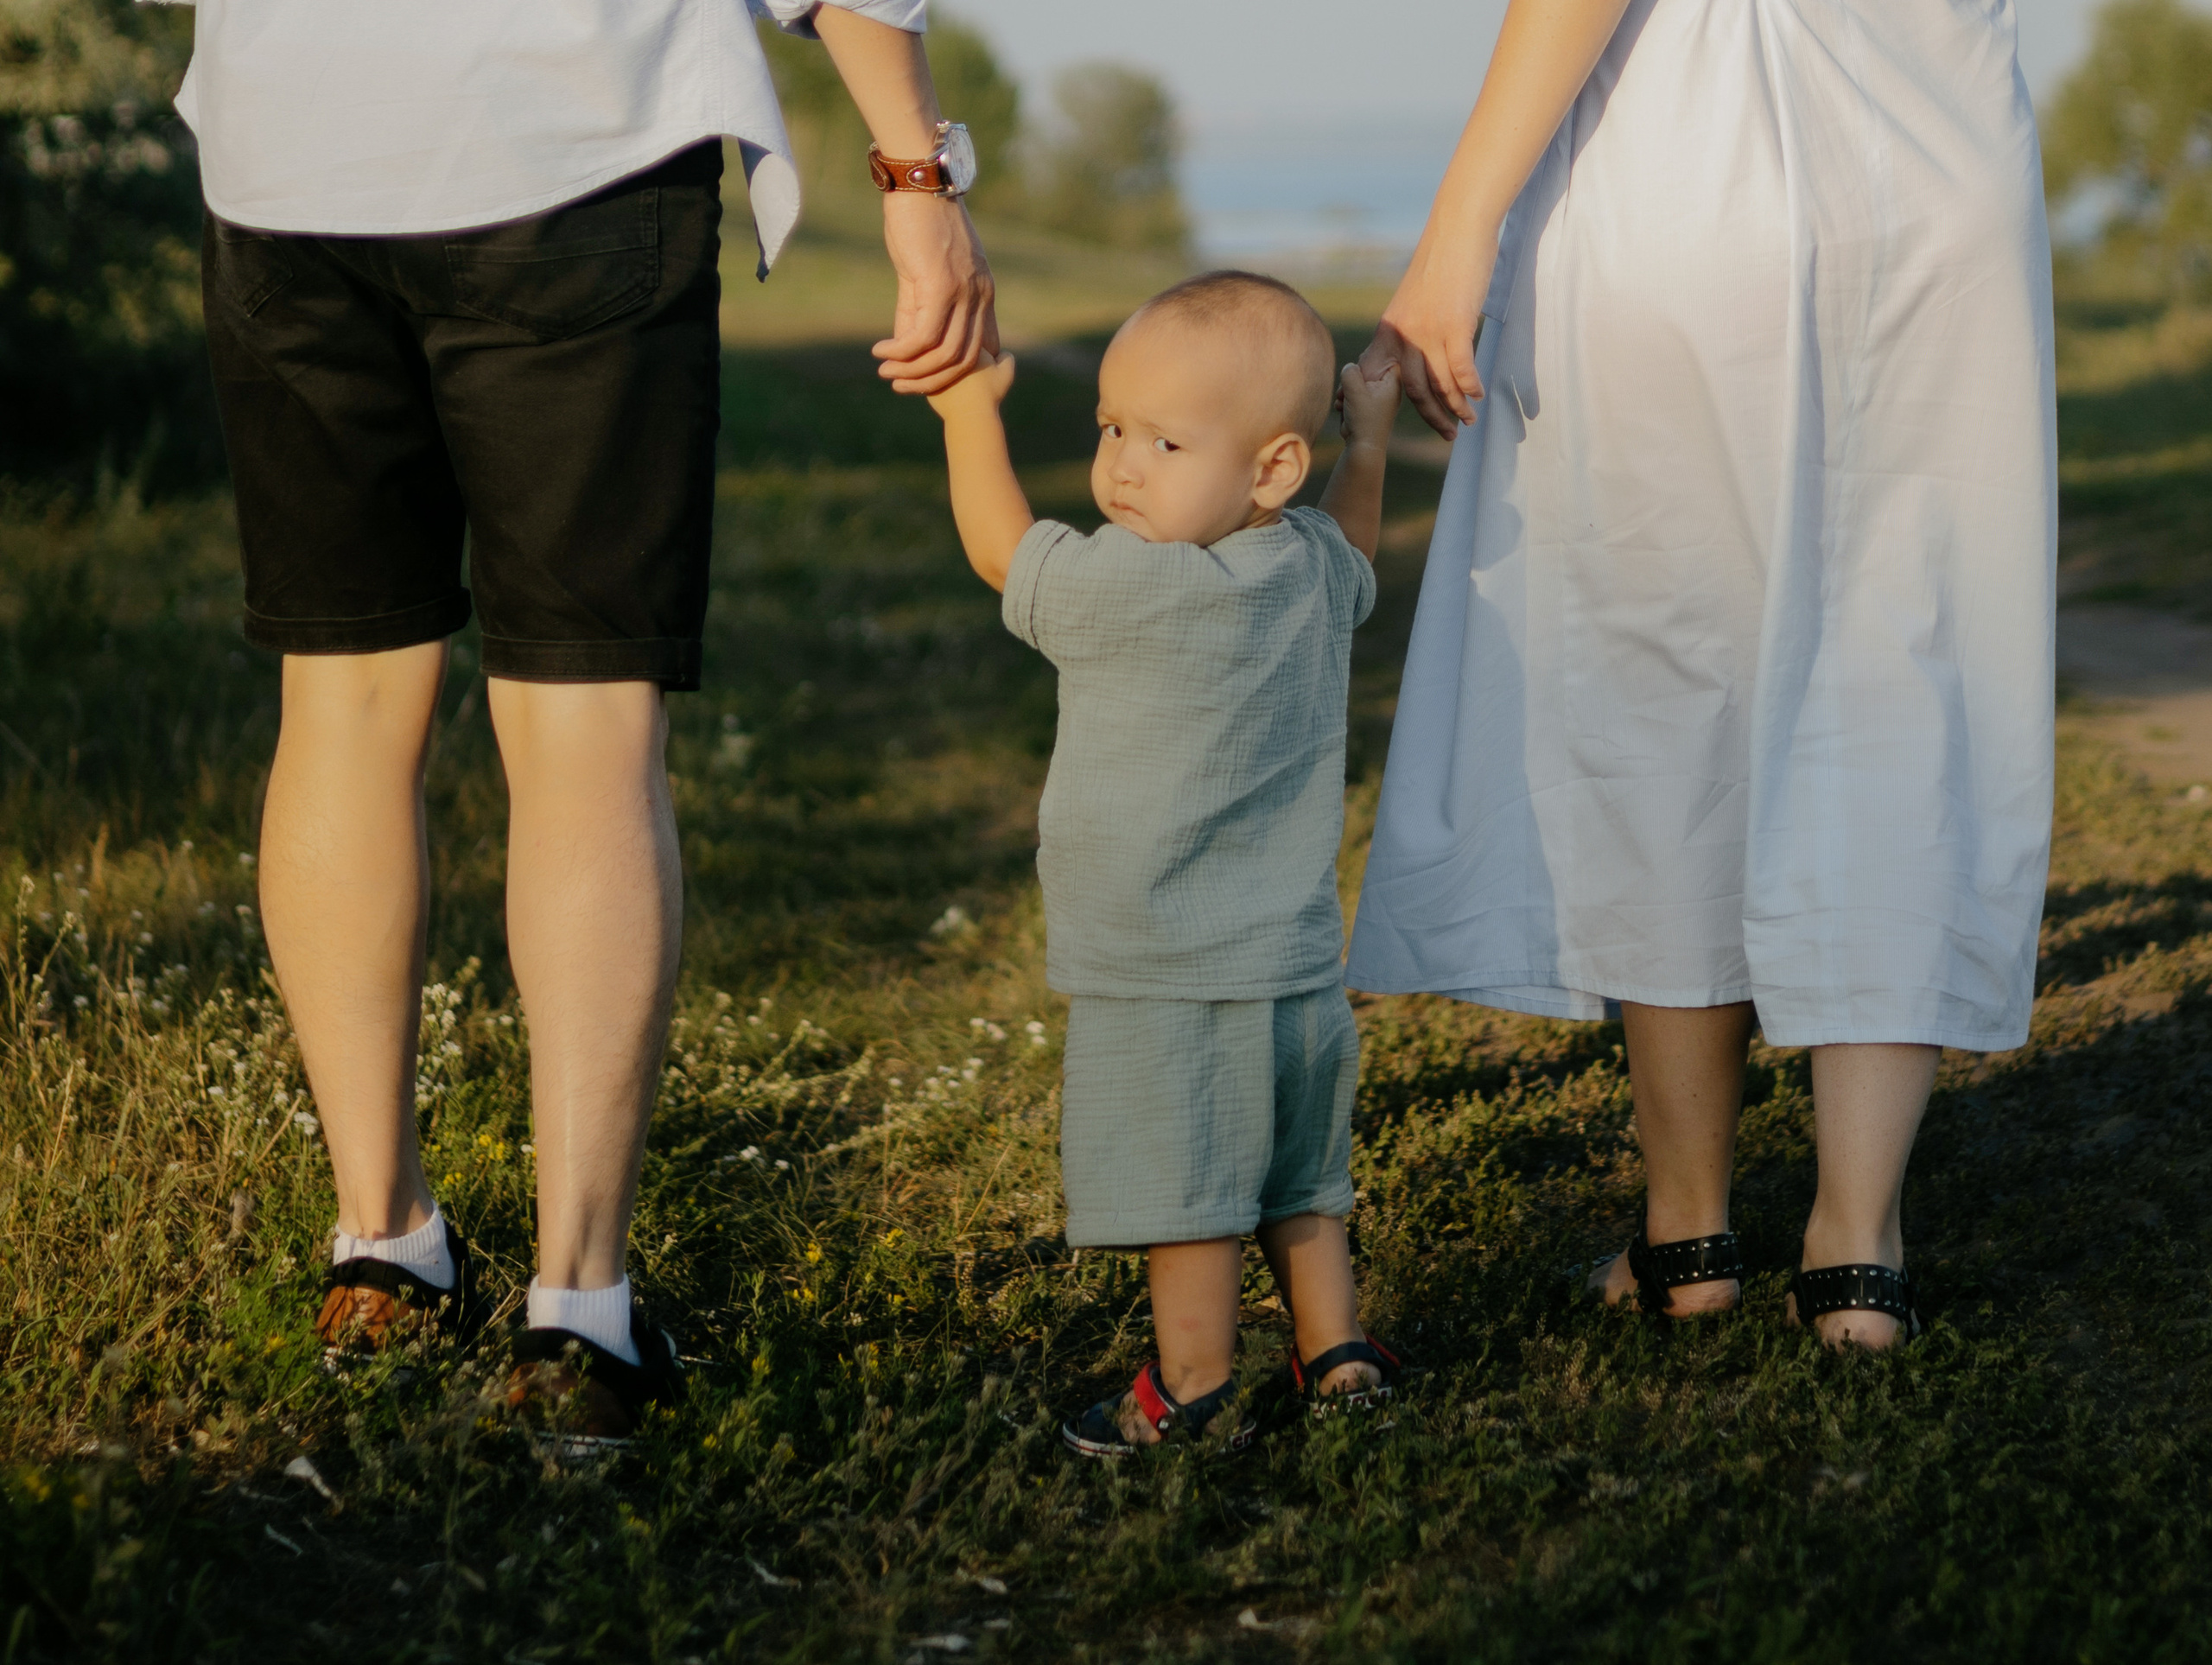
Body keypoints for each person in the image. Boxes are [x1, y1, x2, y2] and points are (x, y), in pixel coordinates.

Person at [178, 0, 996, 1442]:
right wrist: (914, 175)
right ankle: (579, 1319)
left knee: (348, 693)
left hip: (290, 155)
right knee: (584, 727)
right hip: (573, 140)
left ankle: (381, 1248)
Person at [1345, 0, 2055, 1347]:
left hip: (1687, 164)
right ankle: (1858, 1257)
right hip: (1939, 159)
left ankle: (1692, 1236)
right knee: (1904, 678)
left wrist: (1460, 222)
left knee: (1665, 666)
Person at [925, 272, 1404, 1453]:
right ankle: (1334, 1353)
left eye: (1165, 440)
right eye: (1110, 428)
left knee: (1187, 1185)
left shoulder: (1140, 589)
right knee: (1302, 1173)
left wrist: (966, 411)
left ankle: (1194, 1385)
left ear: (1271, 467)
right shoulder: (1306, 572)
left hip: (1162, 965)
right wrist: (1376, 439)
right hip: (1294, 960)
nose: (1122, 466)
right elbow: (1357, 541)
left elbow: (1000, 552)